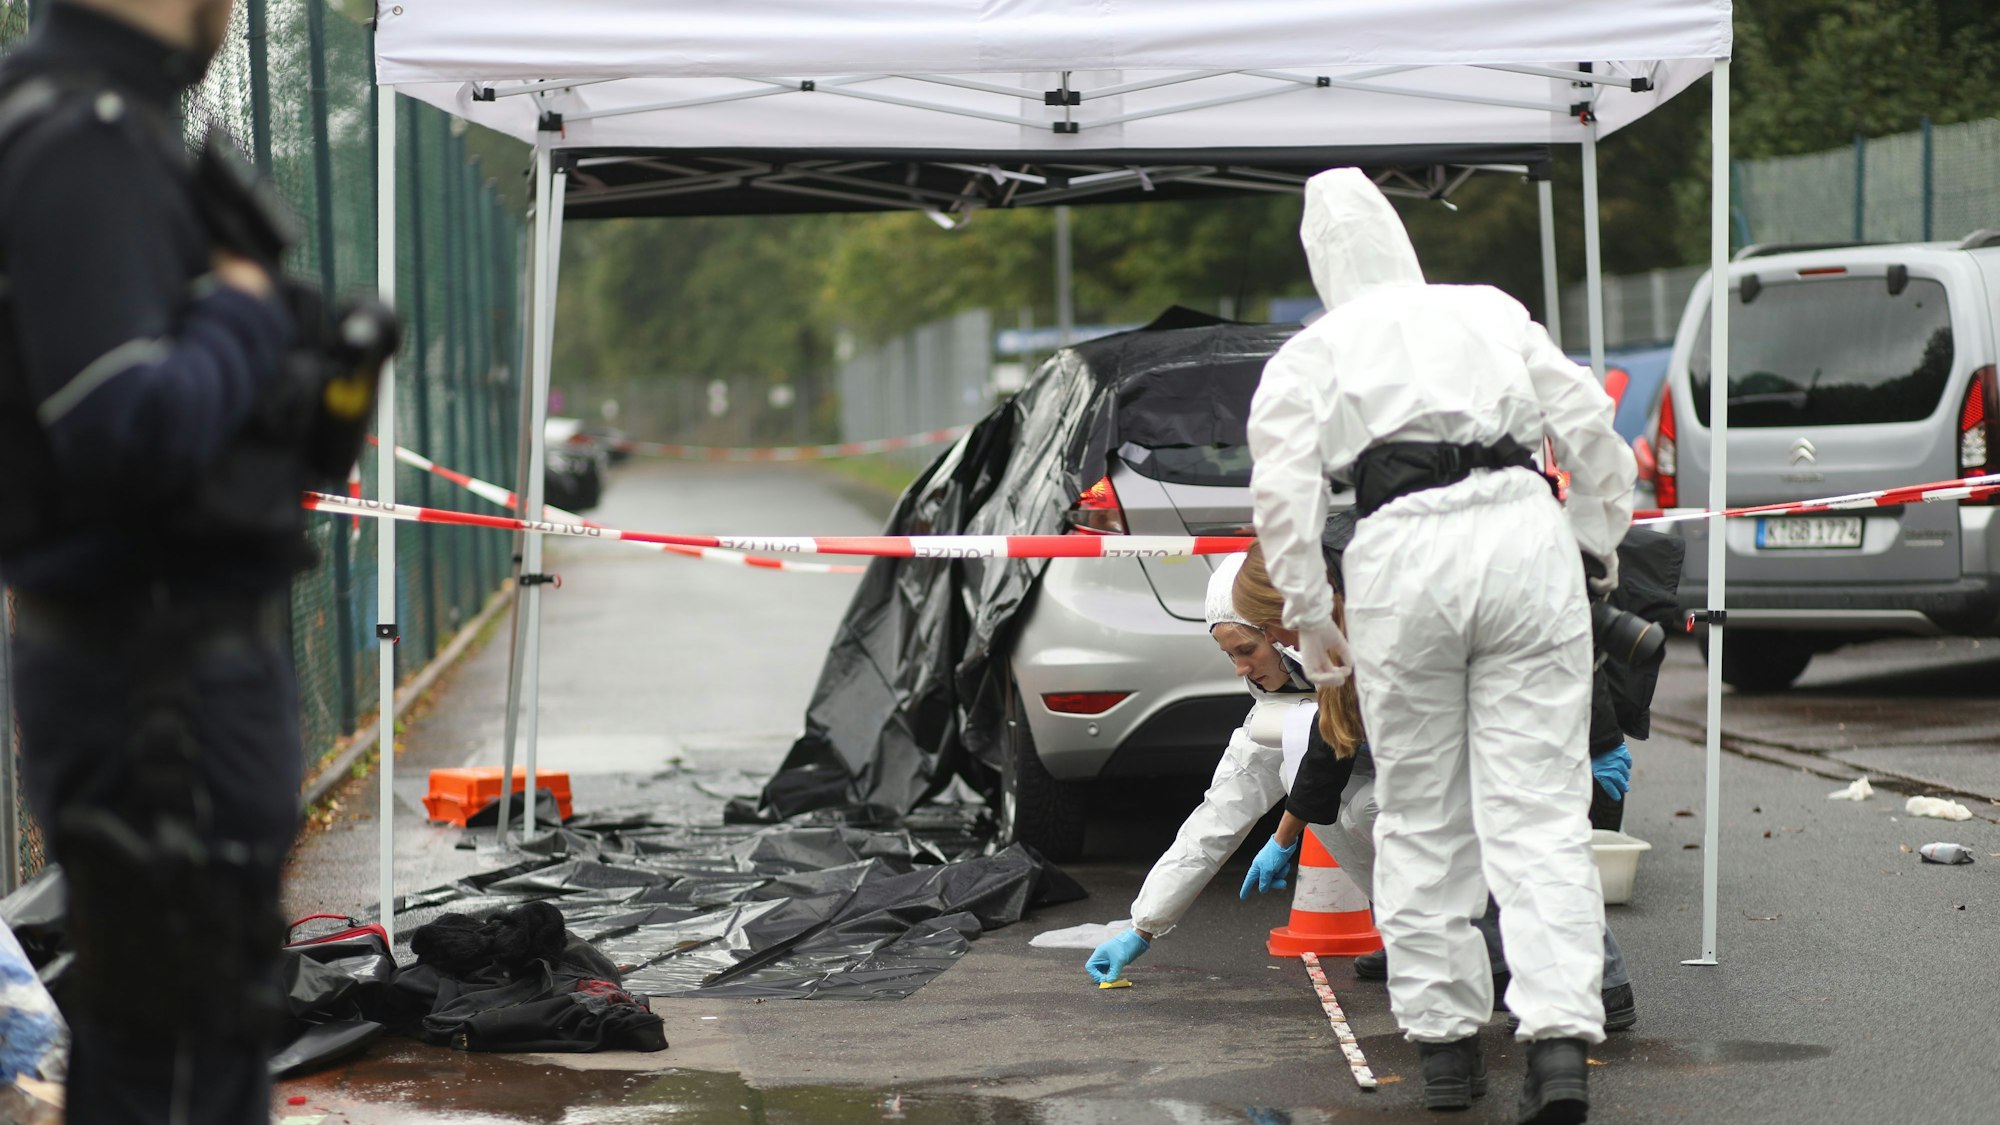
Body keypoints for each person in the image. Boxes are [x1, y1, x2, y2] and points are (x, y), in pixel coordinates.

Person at [1247, 168, 1636, 1122]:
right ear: (1402, 239)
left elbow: (1283, 492)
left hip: (1399, 554)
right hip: (1519, 533)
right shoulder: (1487, 310)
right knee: (1539, 809)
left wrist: (1311, 615)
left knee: (1420, 813)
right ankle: (1556, 1047)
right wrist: (1593, 540)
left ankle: (1448, 1053)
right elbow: (1587, 421)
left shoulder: (1312, 351)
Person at [0, 1, 320, 1120]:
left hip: (156, 661)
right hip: (153, 673)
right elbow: (122, 421)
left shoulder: (110, 126)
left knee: (193, 1032)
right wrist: (241, 313)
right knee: (181, 1057)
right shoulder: (82, 134)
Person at [1230, 541, 1637, 1041]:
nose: (1276, 641)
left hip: (1523, 688)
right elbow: (1332, 732)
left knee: (1523, 840)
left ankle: (1602, 987)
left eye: (1269, 629)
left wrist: (1600, 737)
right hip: (1469, 701)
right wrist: (1283, 839)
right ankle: (1500, 965)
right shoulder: (1341, 614)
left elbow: (1557, 623)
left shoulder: (1400, 590)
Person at [1083, 552, 1379, 985]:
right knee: (1320, 795)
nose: (1241, 668)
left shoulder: (1360, 660)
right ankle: (1409, 930)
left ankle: (1459, 936)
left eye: (1247, 649)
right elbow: (1218, 815)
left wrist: (1283, 836)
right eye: (1229, 655)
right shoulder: (1279, 707)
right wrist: (1141, 928)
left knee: (1369, 808)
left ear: (1280, 633)